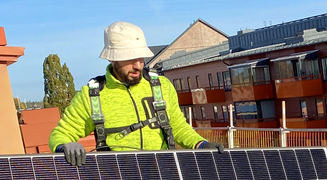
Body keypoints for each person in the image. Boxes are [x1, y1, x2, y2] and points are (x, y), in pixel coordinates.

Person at [49, 21, 224, 166]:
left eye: (140, 57)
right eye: (130, 58)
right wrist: (64, 145)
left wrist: (201, 144)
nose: (138, 65)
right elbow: (61, 134)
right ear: (112, 58)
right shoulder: (92, 95)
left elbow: (178, 126)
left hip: (164, 175)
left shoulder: (161, 86)